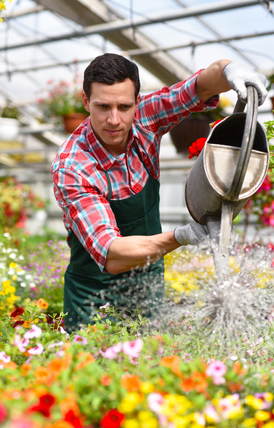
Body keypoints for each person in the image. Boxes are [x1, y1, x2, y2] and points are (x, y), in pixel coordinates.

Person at [51, 53, 267, 332]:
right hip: (94, 293)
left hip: (147, 278)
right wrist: (182, 236)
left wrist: (230, 71)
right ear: (85, 102)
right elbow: (112, 255)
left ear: (137, 103)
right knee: (94, 369)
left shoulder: (146, 118)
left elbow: (200, 86)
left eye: (124, 106)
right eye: (103, 106)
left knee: (152, 363)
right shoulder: (73, 166)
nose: (114, 119)